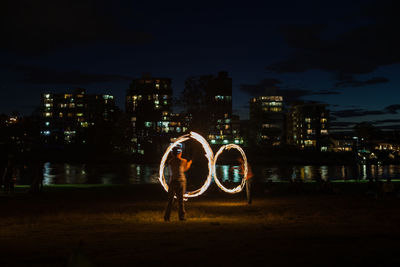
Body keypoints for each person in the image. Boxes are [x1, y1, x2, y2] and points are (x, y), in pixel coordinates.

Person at [164, 144, 192, 221]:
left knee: (170, 201)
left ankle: (167, 217)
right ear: (179, 153)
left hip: (172, 181)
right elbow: (184, 169)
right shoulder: (183, 161)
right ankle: (181, 217)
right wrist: (189, 163)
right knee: (180, 201)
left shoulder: (170, 161)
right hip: (181, 181)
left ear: (172, 153)